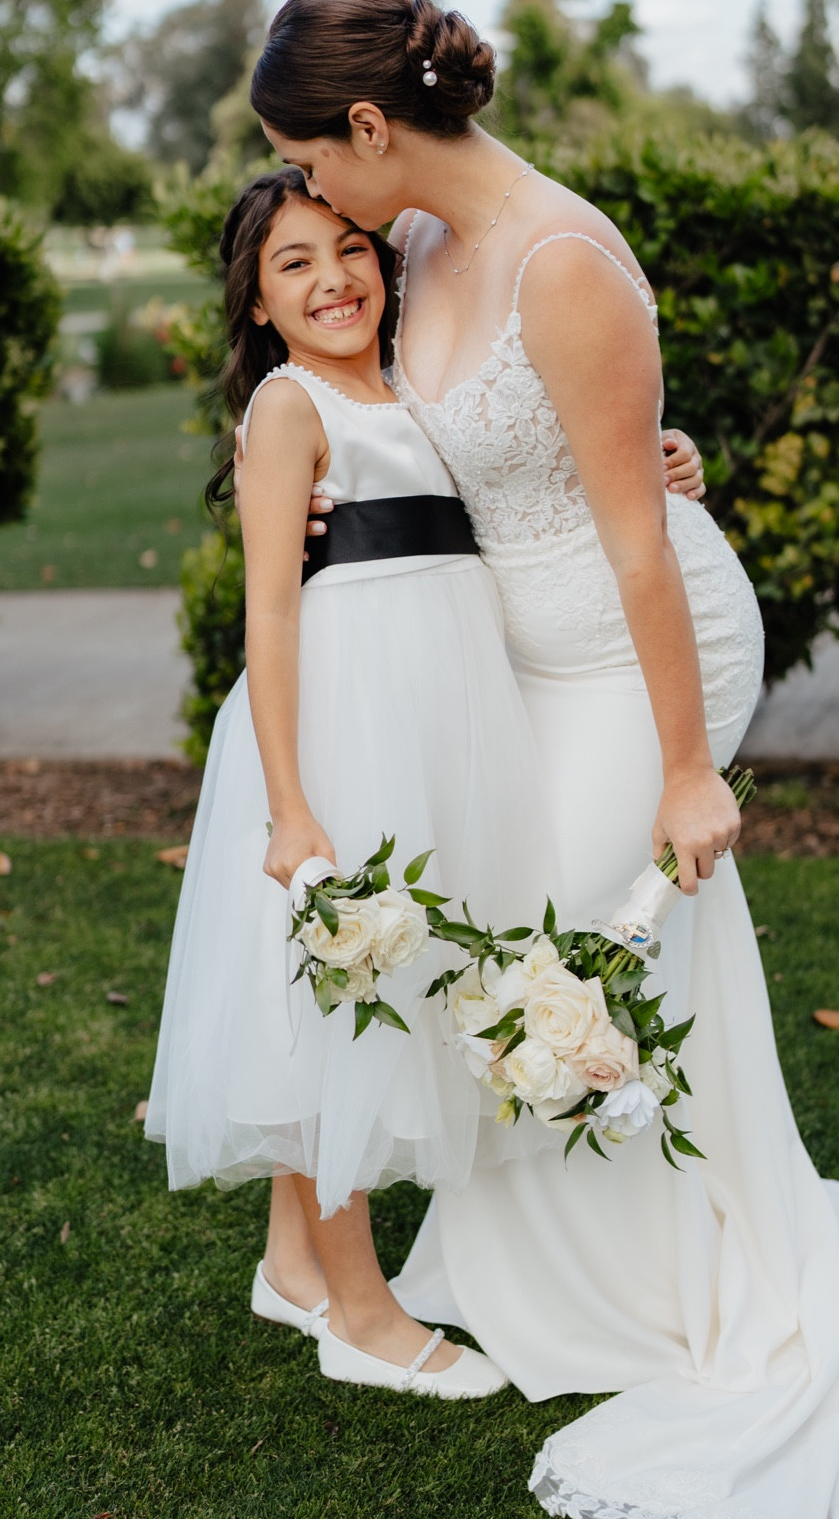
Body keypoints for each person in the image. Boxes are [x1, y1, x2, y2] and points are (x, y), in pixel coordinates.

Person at [246, 0, 839, 1517]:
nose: (307, 192)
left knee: (570, 947)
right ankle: (530, 1268)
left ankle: (656, 1277)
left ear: (369, 124)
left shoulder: (566, 259)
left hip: (641, 656)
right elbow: (431, 425)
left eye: (309, 158)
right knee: (503, 942)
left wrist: (688, 770)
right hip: (515, 654)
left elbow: (638, 541)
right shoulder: (414, 241)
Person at [146, 165, 541, 1398]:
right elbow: (269, 607)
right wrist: (290, 802)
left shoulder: (416, 384)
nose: (333, 279)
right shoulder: (289, 407)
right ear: (258, 303)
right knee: (348, 994)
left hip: (438, 710)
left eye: (349, 247)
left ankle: (291, 1261)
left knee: (380, 977)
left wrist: (665, 454)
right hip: (340, 723)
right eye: (294, 263)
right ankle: (362, 1312)